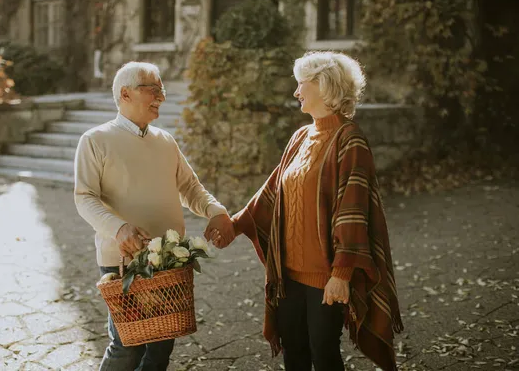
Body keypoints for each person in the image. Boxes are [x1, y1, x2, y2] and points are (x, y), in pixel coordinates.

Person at [209, 51, 403, 371]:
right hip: (288, 275)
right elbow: (272, 192)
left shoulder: (349, 140)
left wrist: (341, 275)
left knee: (324, 354)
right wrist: (234, 224)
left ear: (324, 86)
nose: (296, 92)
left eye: (302, 84)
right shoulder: (300, 136)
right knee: (294, 353)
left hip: (325, 277)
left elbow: (352, 212)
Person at [74, 62, 235, 371]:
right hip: (123, 260)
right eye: (154, 90)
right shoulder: (94, 140)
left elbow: (189, 187)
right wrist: (119, 229)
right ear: (125, 93)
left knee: (161, 349)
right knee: (127, 347)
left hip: (169, 261)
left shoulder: (165, 141)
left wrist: (216, 210)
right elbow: (84, 198)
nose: (161, 97)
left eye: (162, 90)